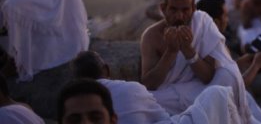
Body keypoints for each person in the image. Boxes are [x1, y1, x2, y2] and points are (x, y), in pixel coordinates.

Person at [140, 0, 261, 122]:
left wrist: (189, 51)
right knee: (143, 101)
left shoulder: (202, 23)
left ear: (194, 9)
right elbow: (149, 85)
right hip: (169, 95)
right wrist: (171, 52)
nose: (179, 16)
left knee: (227, 75)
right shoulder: (151, 36)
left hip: (201, 89)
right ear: (163, 9)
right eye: (173, 9)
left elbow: (207, 77)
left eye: (185, 10)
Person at [71, 51, 244, 124]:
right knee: (217, 94)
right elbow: (162, 116)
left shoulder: (72, 106)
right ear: (107, 70)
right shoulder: (130, 89)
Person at [196, 0, 261, 83]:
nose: (228, 20)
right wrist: (256, 65)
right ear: (216, 22)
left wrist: (243, 60)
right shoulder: (213, 48)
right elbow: (234, 87)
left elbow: (224, 69)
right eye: (226, 16)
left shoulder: (199, 39)